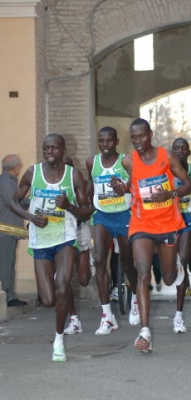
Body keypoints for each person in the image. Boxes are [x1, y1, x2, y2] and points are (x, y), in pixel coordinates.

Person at [111, 118, 191, 353]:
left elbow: (188, 185)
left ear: (151, 134)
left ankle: (174, 265)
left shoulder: (166, 157)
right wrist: (123, 188)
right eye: (133, 137)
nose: (138, 141)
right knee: (143, 270)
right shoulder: (128, 161)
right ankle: (145, 332)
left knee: (168, 278)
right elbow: (134, 184)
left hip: (168, 224)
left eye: (142, 136)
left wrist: (171, 193)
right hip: (141, 224)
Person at [10, 133, 91, 361]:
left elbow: (87, 210)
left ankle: (58, 340)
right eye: (46, 148)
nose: (50, 152)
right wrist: (30, 218)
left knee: (63, 287)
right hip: (41, 240)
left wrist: (70, 207)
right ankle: (57, 303)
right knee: (47, 300)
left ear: (63, 149)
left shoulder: (73, 175)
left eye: (54, 148)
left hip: (65, 237)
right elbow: (13, 201)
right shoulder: (32, 173)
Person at [86, 126, 139, 336]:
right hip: (102, 215)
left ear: (116, 142)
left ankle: (135, 298)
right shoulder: (92, 162)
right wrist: (83, 205)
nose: (105, 145)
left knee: (126, 262)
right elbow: (90, 185)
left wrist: (125, 187)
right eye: (101, 141)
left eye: (109, 141)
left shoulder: (126, 161)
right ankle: (107, 316)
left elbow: (136, 183)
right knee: (99, 260)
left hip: (124, 214)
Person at [171, 138, 191, 333]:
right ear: (172, 152)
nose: (180, 151)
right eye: (176, 148)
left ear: (189, 152)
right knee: (168, 268)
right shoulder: (164, 170)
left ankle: (178, 317)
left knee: (182, 263)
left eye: (184, 148)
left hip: (187, 220)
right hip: (167, 220)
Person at [62, 155, 94, 335]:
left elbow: (86, 212)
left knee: (83, 280)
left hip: (80, 230)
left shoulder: (78, 183)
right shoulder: (50, 183)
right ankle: (74, 319)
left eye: (67, 167)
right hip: (60, 235)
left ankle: (89, 264)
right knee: (63, 278)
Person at [0, 154, 29, 307]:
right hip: (6, 229)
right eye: (19, 166)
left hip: (9, 229)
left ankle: (10, 294)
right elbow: (13, 202)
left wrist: (28, 200)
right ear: (15, 167)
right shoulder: (6, 180)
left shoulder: (9, 181)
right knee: (6, 264)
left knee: (9, 263)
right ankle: (7, 296)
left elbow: (17, 201)